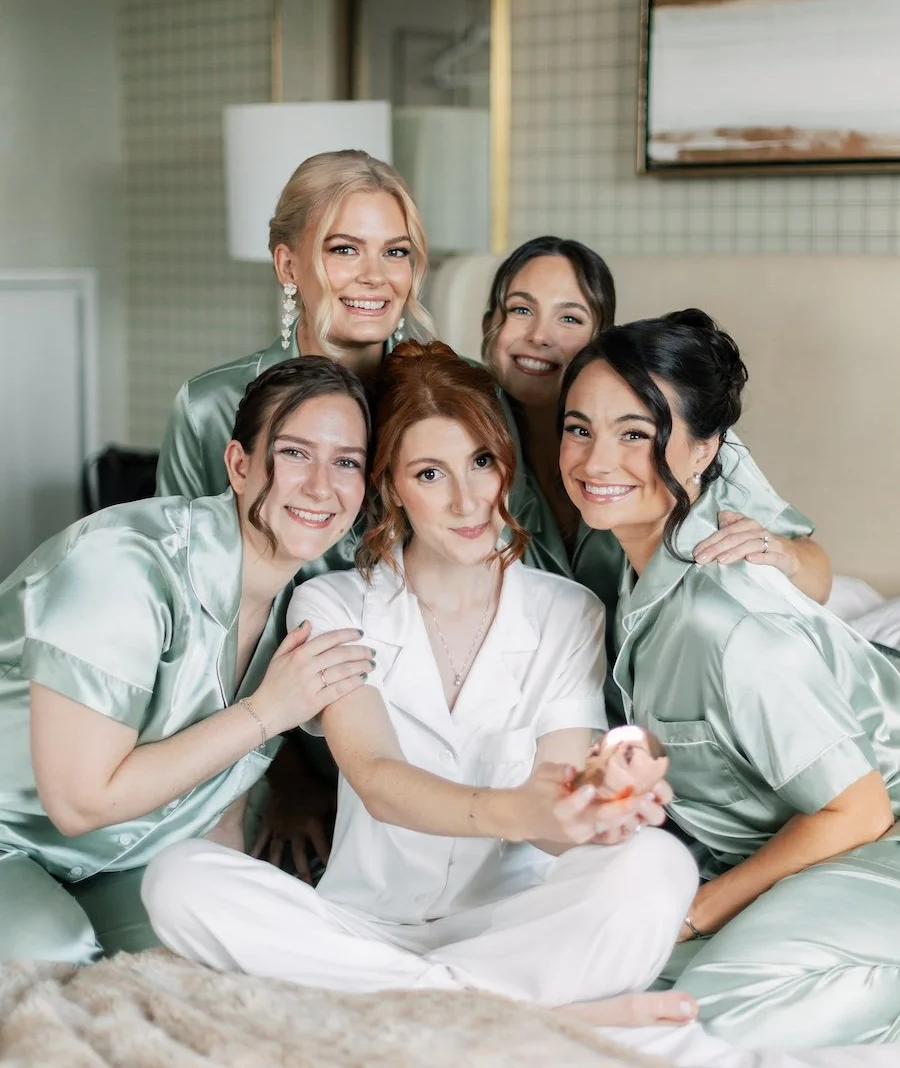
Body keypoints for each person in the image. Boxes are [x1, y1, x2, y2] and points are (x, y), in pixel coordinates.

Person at [142, 342, 702, 1027]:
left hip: (513, 929)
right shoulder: (334, 605)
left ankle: (412, 1007)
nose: (468, 500)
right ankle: (522, 1016)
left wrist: (598, 813)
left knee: (659, 865)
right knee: (179, 880)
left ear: (508, 466)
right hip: (363, 926)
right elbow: (376, 777)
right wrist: (520, 810)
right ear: (390, 486)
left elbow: (556, 806)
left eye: (481, 463)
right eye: (430, 473)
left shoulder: (567, 611)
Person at [558, 309, 900, 1050]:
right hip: (793, 846)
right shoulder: (610, 557)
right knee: (607, 986)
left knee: (696, 1026)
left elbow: (859, 811)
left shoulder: (727, 624)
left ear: (706, 449)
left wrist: (697, 912)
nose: (594, 460)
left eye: (635, 434)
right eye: (578, 428)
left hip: (877, 827)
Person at [0, 358, 373, 962]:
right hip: (13, 837)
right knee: (55, 963)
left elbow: (216, 799)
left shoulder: (304, 609)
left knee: (226, 961)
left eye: (347, 461)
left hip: (118, 860)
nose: (322, 486)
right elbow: (79, 803)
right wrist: (264, 712)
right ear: (239, 464)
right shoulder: (124, 566)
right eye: (295, 453)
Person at [481, 236, 833, 712]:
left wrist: (781, 553)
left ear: (600, 338)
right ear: (489, 327)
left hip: (667, 702)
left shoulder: (684, 440)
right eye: (521, 310)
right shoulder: (462, 437)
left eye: (570, 317)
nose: (540, 336)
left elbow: (815, 576)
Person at [155, 148, 434, 519]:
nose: (375, 276)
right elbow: (173, 561)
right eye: (346, 249)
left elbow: (507, 554)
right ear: (288, 266)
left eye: (396, 252)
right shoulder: (209, 407)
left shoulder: (464, 397)